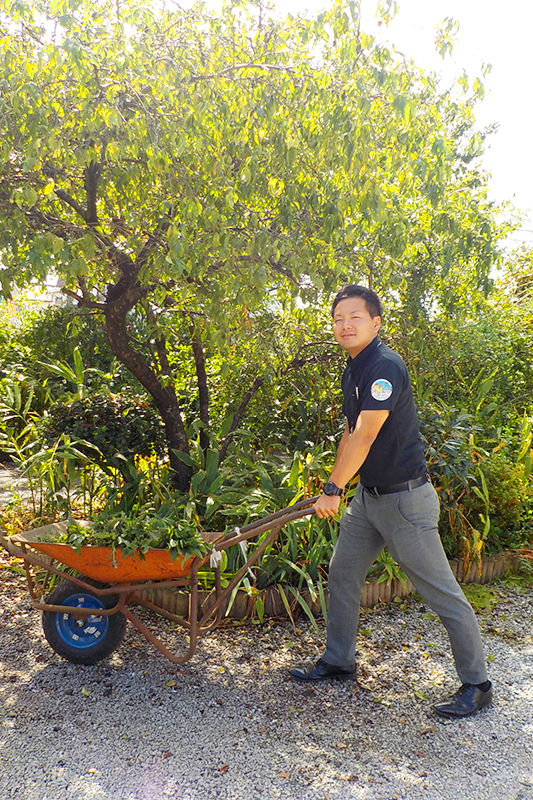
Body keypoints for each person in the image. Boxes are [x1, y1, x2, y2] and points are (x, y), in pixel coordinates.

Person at [288, 284, 492, 719]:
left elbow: (367, 433)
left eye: (355, 317)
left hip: (405, 503)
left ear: (375, 322)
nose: (345, 324)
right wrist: (335, 483)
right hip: (368, 499)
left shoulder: (384, 367)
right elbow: (349, 432)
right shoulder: (352, 368)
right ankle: (339, 661)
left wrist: (333, 490)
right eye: (339, 317)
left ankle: (477, 684)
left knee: (440, 591)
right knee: (343, 574)